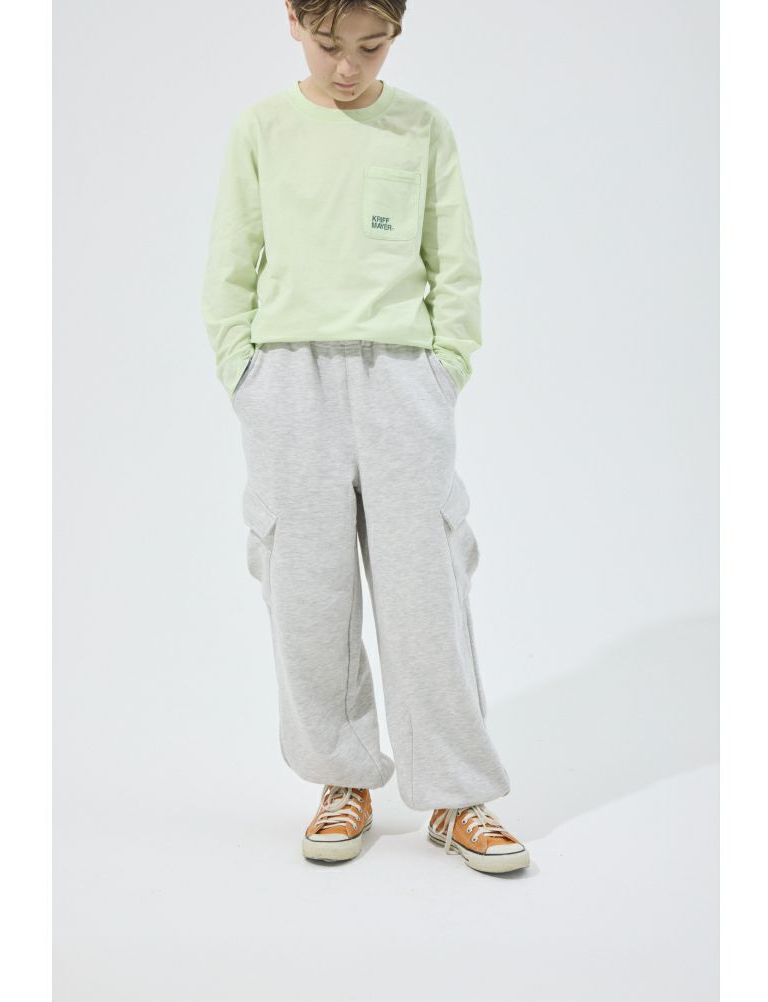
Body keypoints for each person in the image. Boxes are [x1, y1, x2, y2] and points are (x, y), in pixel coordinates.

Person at [200, 0, 530, 875]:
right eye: (329, 45)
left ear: (396, 34)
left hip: (402, 377)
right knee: (306, 592)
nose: (348, 67)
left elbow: (455, 261)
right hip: (288, 378)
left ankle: (457, 794)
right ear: (293, 22)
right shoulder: (261, 128)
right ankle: (342, 780)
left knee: (426, 588)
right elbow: (230, 265)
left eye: (371, 46)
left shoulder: (421, 128)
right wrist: (245, 374)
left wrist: (444, 368)